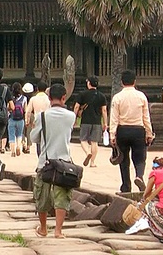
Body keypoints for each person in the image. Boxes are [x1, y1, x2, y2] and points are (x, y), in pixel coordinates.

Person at [30, 84, 76, 239]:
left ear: (49, 99)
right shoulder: (71, 116)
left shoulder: (41, 116)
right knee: (62, 196)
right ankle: (58, 230)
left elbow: (34, 138)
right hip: (64, 163)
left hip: (45, 162)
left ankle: (43, 228)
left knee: (42, 196)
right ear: (64, 98)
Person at [110, 70, 154, 193]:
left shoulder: (117, 97)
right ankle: (139, 176)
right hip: (138, 130)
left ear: (121, 82)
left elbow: (114, 118)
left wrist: (112, 134)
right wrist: (149, 133)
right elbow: (146, 117)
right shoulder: (141, 96)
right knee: (140, 157)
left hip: (123, 130)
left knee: (123, 158)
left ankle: (126, 185)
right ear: (135, 81)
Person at [73, 76, 108, 167]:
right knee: (94, 142)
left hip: (85, 121)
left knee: (83, 140)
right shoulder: (101, 96)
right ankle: (92, 162)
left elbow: (77, 107)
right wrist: (105, 123)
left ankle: (88, 152)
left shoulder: (82, 94)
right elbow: (104, 110)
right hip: (97, 122)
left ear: (88, 83)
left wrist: (74, 118)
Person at [25, 81, 50, 156]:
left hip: (37, 121)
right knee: (46, 140)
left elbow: (28, 111)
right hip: (47, 121)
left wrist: (27, 121)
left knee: (38, 141)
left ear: (37, 89)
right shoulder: (49, 99)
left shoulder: (33, 99)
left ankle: (40, 157)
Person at [7, 82, 27, 157]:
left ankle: (12, 151)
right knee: (19, 134)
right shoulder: (24, 98)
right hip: (20, 119)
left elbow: (8, 108)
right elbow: (25, 109)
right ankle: (18, 146)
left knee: (11, 135)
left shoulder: (10, 98)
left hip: (12, 119)